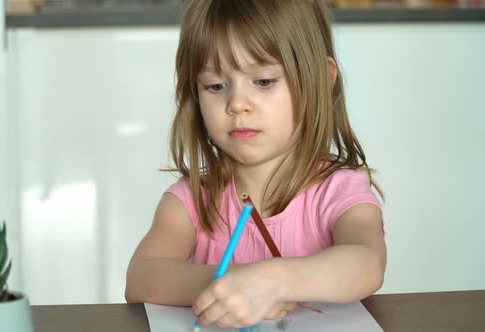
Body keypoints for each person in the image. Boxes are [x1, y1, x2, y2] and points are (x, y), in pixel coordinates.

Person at [125, 0, 386, 329]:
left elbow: (367, 263)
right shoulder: (188, 201)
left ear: (321, 78)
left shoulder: (340, 190)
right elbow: (140, 278)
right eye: (216, 86)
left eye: (263, 81)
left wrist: (274, 281)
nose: (236, 104)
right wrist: (235, 285)